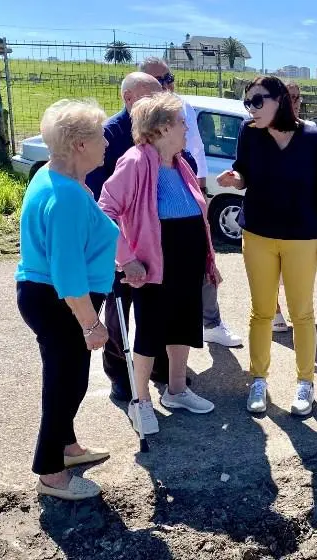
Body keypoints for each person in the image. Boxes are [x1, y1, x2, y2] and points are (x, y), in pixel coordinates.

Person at [217, 76, 317, 416]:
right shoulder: (249, 133)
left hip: (301, 237)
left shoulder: (314, 138)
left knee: (301, 313)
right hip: (257, 234)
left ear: (279, 100)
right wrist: (234, 179)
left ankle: (305, 383)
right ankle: (259, 379)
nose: (251, 109)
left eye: (257, 101)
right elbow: (244, 174)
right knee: (262, 311)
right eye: (247, 103)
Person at [15, 99, 117, 500]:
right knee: (65, 383)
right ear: (78, 144)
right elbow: (69, 275)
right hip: (60, 302)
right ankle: (51, 473)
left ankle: (68, 447)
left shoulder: (53, 176)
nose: (106, 143)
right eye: (99, 136)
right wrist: (91, 324)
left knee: (67, 377)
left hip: (46, 296)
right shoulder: (67, 196)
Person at [100, 92, 219, 435]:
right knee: (150, 333)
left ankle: (177, 391)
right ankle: (142, 403)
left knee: (183, 325)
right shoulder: (136, 161)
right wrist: (126, 257)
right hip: (153, 265)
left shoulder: (179, 163)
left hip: (187, 260)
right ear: (164, 128)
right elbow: (104, 209)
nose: (186, 129)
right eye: (182, 122)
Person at [83, 72, 175, 403]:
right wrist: (123, 251)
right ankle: (120, 375)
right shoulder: (110, 135)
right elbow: (100, 200)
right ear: (129, 98)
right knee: (119, 311)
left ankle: (162, 370)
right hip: (120, 245)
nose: (157, 102)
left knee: (158, 312)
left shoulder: (159, 133)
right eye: (150, 96)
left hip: (155, 244)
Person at [139, 56, 242, 349]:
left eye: (170, 78)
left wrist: (198, 190)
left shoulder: (179, 110)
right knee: (167, 291)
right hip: (161, 227)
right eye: (163, 81)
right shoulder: (139, 146)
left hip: (192, 185)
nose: (170, 84)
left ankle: (209, 324)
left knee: (203, 266)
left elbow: (192, 148)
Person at [272, 79, 316, 334]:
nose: (295, 103)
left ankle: (298, 309)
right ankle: (275, 309)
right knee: (273, 267)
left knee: (299, 269)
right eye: (289, 97)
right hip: (274, 212)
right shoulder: (263, 131)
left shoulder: (309, 131)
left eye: (298, 97)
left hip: (302, 211)